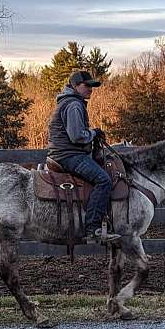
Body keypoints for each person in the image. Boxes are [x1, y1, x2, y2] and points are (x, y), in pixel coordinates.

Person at [47, 71, 121, 244]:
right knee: (103, 180)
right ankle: (93, 228)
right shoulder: (74, 105)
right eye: (87, 85)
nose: (90, 89)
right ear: (75, 86)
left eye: (92, 86)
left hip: (65, 153)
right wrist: (94, 133)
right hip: (69, 155)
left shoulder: (70, 102)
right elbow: (77, 136)